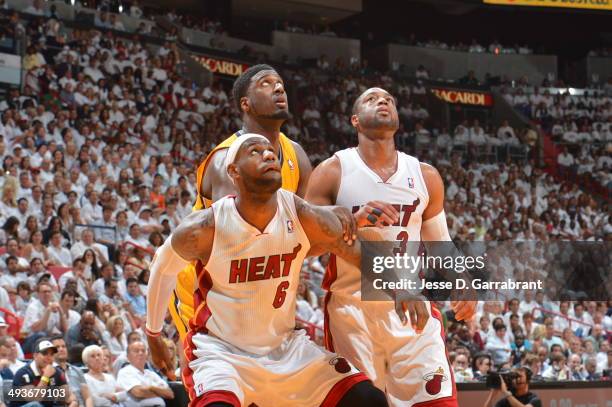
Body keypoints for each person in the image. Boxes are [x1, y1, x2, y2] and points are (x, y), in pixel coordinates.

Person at [145, 134, 390, 406]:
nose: (268, 154)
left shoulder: (300, 213)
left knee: (370, 399)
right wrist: (153, 334)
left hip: (287, 349)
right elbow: (163, 268)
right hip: (223, 355)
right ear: (233, 172)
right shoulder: (205, 227)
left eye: (270, 150)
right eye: (255, 151)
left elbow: (350, 249)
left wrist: (406, 286)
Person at [305, 87, 476, 406]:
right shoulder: (332, 171)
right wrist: (353, 219)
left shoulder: (425, 175)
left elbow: (440, 244)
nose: (383, 101)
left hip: (412, 310)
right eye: (371, 99)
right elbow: (308, 244)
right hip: (352, 312)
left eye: (389, 100)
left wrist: (462, 280)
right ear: (355, 120)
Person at [11, 338, 77, 407]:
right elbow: (34, 399)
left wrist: (73, 402)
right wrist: (45, 377)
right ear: (35, 356)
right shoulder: (23, 373)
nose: (48, 357)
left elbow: (67, 395)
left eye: (51, 354)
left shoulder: (57, 372)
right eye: (45, 353)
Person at [116, 341, 174, 407]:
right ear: (128, 356)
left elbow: (170, 394)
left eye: (143, 351)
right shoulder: (125, 372)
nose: (140, 353)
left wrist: (151, 388)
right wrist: (158, 391)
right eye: (136, 351)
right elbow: (138, 393)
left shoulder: (151, 374)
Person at [50, 335, 94, 407]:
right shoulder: (49, 372)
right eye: (57, 347)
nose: (61, 349)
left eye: (63, 346)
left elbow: (88, 397)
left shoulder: (77, 370)